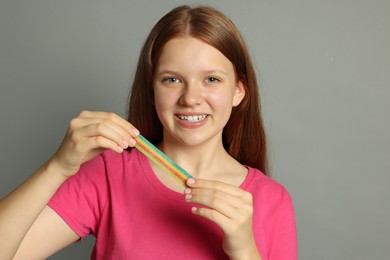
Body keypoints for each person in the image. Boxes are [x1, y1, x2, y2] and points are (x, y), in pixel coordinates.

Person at [0, 5, 297, 260]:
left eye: (211, 79)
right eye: (171, 79)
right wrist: (57, 168)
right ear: (152, 92)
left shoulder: (272, 200)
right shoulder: (107, 175)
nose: (191, 97)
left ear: (238, 91)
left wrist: (245, 250)